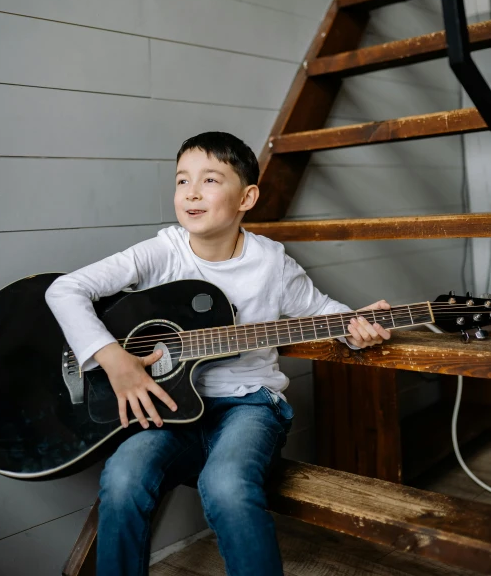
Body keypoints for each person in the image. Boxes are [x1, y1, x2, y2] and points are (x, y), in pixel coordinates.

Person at [45, 131, 391, 576]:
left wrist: (354, 328)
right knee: (123, 478)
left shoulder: (272, 263)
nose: (191, 191)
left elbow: (324, 311)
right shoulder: (163, 252)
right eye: (182, 180)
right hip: (170, 410)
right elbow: (65, 289)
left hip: (249, 405)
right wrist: (114, 360)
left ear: (247, 197)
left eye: (210, 180)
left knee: (227, 486)